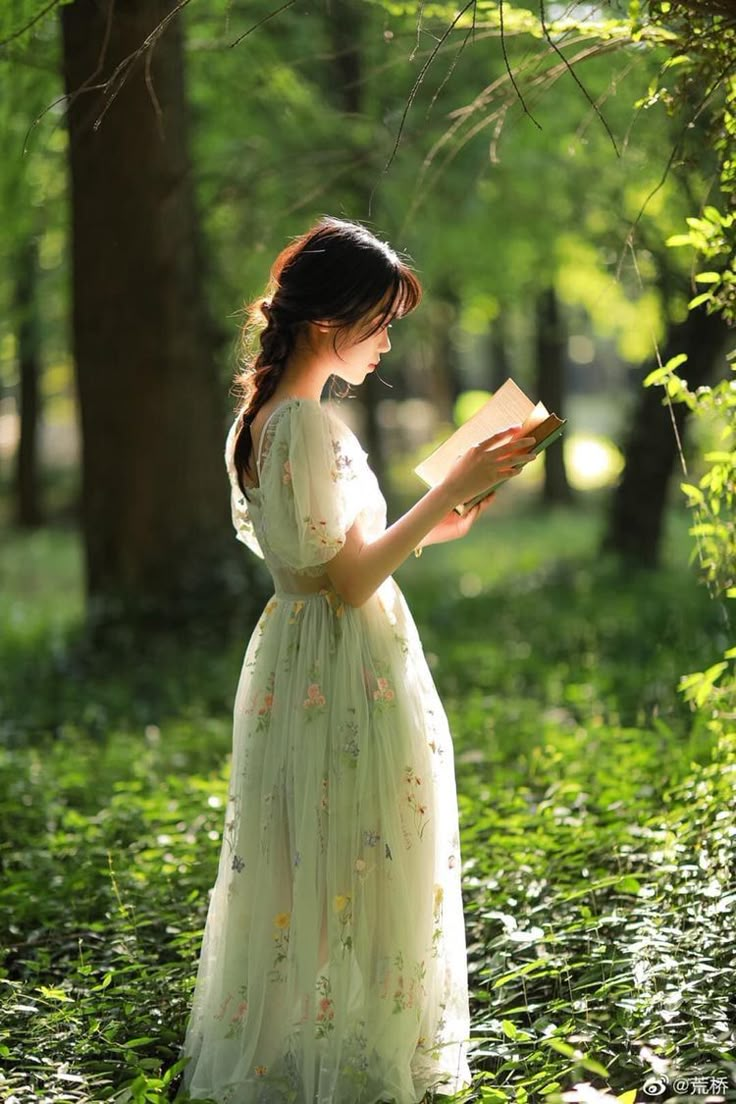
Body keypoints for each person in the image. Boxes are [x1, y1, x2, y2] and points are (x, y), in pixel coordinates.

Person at [177, 216, 537, 1104]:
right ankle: (358, 1060)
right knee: (361, 854)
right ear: (331, 320)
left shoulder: (271, 417)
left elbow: (333, 555)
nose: (385, 342)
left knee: (329, 854)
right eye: (378, 322)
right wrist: (445, 490)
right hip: (338, 661)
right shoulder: (301, 423)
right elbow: (343, 578)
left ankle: (333, 1044)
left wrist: (438, 521)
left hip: (310, 652)